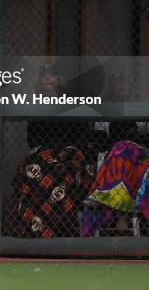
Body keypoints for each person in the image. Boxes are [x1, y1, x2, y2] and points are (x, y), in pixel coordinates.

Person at [10, 61, 101, 238]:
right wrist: (51, 152)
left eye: (51, 75)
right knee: (31, 169)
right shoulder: (36, 105)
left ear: (59, 80)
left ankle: (56, 231)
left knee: (62, 174)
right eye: (44, 75)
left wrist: (62, 151)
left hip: (70, 155)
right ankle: (34, 230)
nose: (48, 79)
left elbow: (81, 137)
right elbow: (33, 140)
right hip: (46, 155)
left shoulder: (71, 103)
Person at [82, 120, 149, 236]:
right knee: (122, 150)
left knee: (123, 147)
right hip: (120, 155)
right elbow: (101, 135)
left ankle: (99, 196)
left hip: (143, 155)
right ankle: (122, 215)